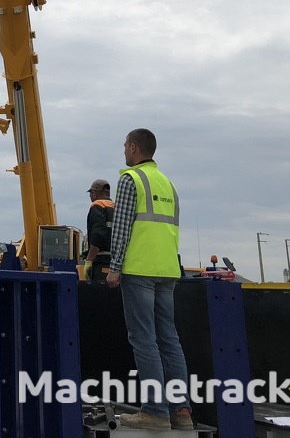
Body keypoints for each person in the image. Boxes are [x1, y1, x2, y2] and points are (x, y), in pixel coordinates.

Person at [107, 128, 194, 430]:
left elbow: (121, 227)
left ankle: (155, 411)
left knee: (144, 340)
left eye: (125, 146)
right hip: (167, 270)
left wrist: (114, 266)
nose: (124, 151)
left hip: (139, 270)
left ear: (133, 148)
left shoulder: (130, 180)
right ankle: (181, 412)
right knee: (169, 339)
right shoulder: (168, 184)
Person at [84, 179, 114, 283]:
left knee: (99, 295)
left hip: (101, 262)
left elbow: (98, 236)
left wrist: (89, 261)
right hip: (115, 262)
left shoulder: (97, 205)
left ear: (94, 193)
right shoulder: (116, 207)